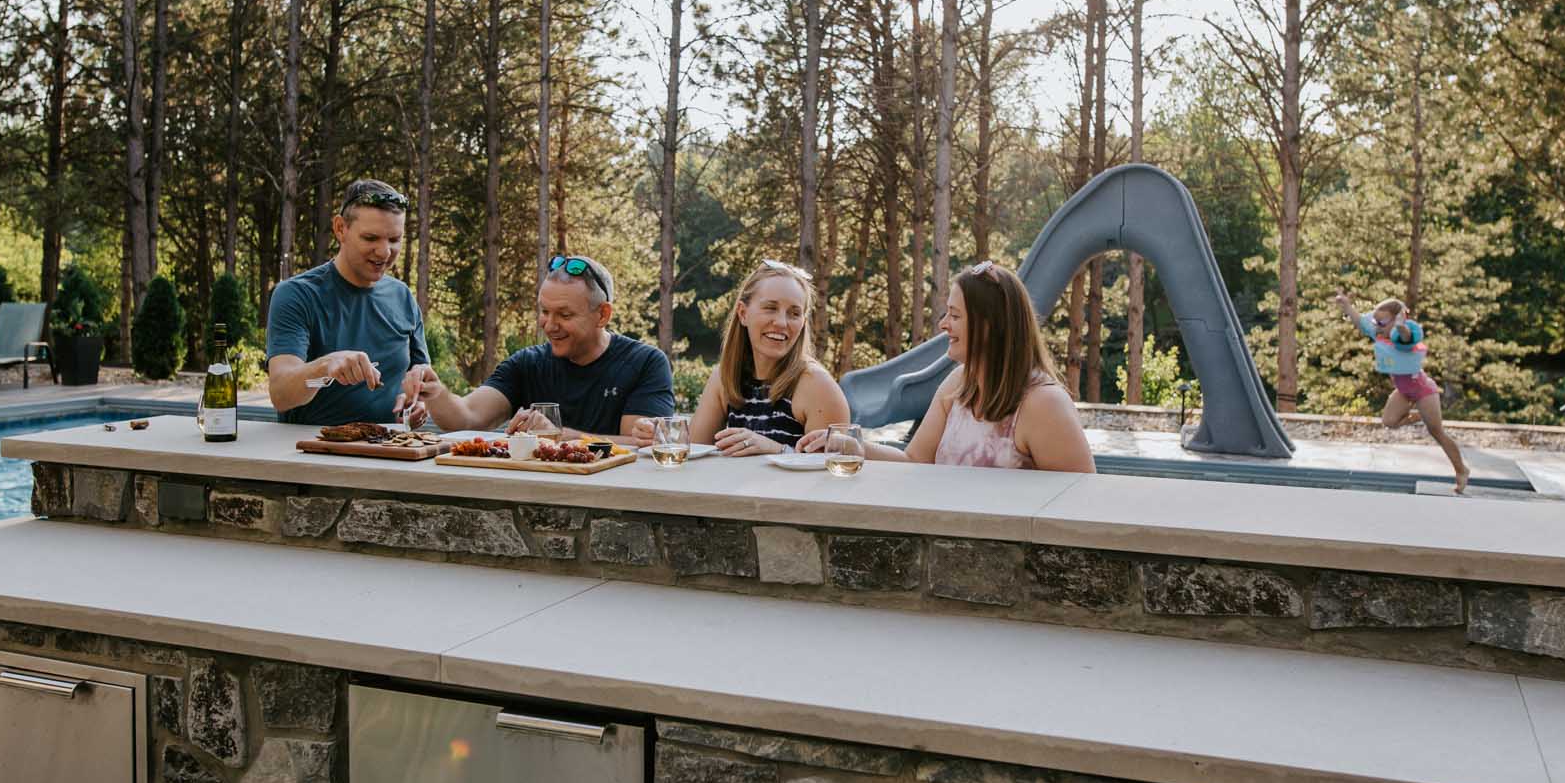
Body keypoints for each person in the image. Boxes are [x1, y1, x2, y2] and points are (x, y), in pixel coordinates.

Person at [801, 262, 1095, 472]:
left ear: (988, 326)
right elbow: (915, 461)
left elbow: (1077, 501)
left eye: (954, 315)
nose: (944, 325)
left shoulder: (1044, 403)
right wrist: (852, 446)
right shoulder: (959, 384)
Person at [410, 254, 676, 442]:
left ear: (603, 315)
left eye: (564, 314)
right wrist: (435, 392)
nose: (549, 325)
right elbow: (466, 418)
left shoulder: (645, 362)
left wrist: (561, 436)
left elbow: (638, 443)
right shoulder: (528, 363)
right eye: (544, 311)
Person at [265, 179, 431, 426]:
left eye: (395, 239)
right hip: (310, 452)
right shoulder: (296, 295)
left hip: (386, 451)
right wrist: (325, 366)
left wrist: (418, 400)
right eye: (371, 238)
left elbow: (421, 374)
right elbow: (281, 394)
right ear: (340, 228)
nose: (385, 252)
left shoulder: (403, 297)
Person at [691, 260, 849, 456]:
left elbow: (827, 475)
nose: (782, 322)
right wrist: (654, 436)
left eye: (794, 313)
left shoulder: (816, 385)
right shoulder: (724, 378)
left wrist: (779, 451)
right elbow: (693, 455)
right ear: (743, 313)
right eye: (770, 308)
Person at [1335, 291, 1469, 493]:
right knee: (1389, 421)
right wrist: (1346, 305)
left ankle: (1461, 470)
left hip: (1422, 389)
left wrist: (1400, 324)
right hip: (1404, 391)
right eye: (1376, 321)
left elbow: (1405, 337)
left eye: (1382, 322)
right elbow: (1360, 322)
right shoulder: (1380, 331)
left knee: (1437, 431)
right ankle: (1418, 416)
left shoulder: (1402, 334)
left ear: (1397, 319)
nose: (1377, 326)